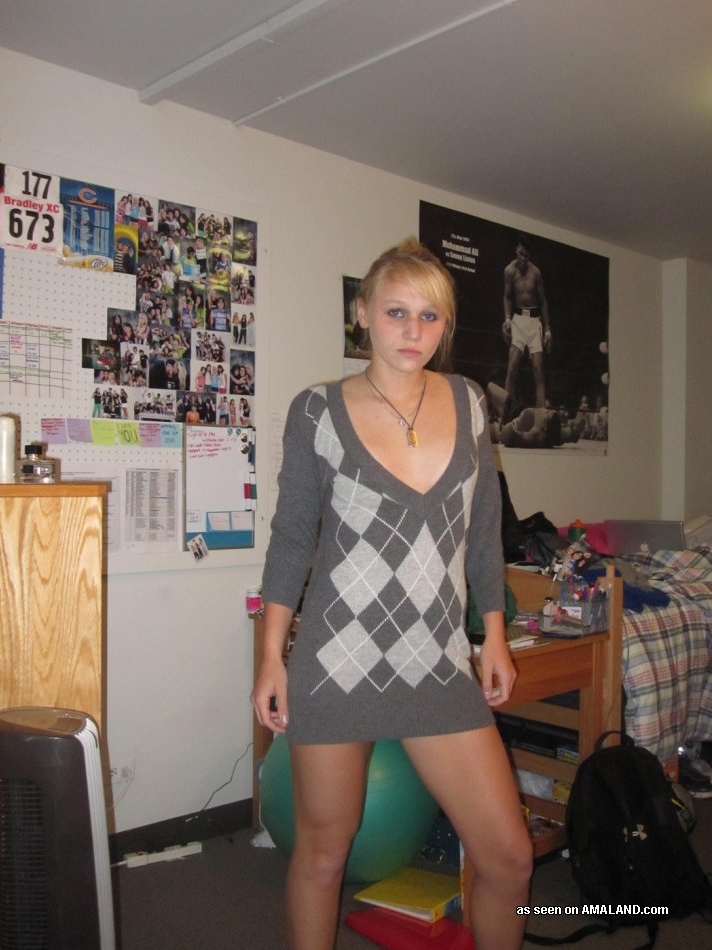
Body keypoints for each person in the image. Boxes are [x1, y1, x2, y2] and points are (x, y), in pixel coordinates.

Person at [251, 238, 532, 950]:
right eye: (396, 312)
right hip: (336, 662)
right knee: (323, 854)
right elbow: (291, 539)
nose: (413, 331)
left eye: (430, 316)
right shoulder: (316, 411)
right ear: (362, 314)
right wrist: (271, 656)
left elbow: (483, 530)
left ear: (445, 326)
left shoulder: (469, 403)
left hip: (436, 660)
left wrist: (494, 635)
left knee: (508, 857)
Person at [502, 235, 552, 409]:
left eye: (526, 256)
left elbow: (543, 300)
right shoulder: (509, 271)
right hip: (518, 320)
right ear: (516, 250)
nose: (523, 258)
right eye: (521, 254)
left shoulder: (535, 272)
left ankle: (541, 413)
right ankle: (506, 411)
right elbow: (507, 296)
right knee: (512, 367)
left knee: (538, 370)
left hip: (534, 321)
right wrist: (507, 319)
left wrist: (547, 329)